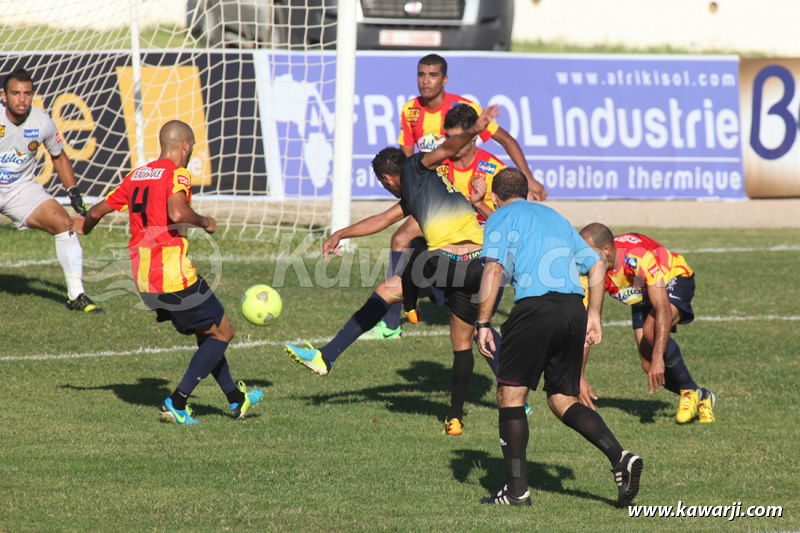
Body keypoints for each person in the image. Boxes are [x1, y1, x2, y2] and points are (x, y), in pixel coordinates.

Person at [286, 105, 506, 435]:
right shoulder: (422, 192)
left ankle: (329, 355)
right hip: (484, 265)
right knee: (466, 339)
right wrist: (341, 233)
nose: (386, 187)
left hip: (456, 262)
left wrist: (476, 127)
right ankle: (483, 404)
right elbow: (382, 220)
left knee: (389, 289)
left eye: (383, 183)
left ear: (388, 177)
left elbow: (448, 148)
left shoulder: (416, 167)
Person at [475, 168, 642, 507]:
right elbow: (596, 265)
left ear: (494, 197)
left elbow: (493, 269)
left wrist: (482, 322)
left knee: (510, 394)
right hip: (572, 310)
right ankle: (619, 456)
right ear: (526, 190)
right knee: (562, 398)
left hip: (535, 309)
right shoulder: (555, 216)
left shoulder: (500, 216)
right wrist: (594, 314)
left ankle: (517, 491)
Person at [79, 120, 263, 425]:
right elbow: (177, 212)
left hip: (144, 278)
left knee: (211, 332)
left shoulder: (137, 175)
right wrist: (204, 221)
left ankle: (235, 397)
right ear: (186, 145)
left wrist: (81, 227)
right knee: (224, 332)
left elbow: (97, 211)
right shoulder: (177, 174)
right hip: (173, 274)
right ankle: (177, 401)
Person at [364, 54, 546, 340]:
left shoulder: (464, 110)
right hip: (433, 192)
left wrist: (530, 177)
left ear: (444, 79)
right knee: (401, 238)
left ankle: (442, 294)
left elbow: (506, 140)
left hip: (460, 194)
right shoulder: (410, 110)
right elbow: (407, 158)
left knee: (444, 248)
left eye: (432, 75)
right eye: (421, 74)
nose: (426, 81)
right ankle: (391, 323)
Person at [578, 223, 716, 424]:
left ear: (606, 250)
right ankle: (700, 395)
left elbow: (662, 308)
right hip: (641, 294)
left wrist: (660, 357)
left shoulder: (637, 257)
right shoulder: (590, 271)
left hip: (674, 278)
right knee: (648, 365)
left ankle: (688, 393)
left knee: (653, 337)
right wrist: (579, 376)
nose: (583, 258)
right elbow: (586, 323)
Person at [0, 68, 101, 312]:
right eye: (15, 93)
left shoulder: (42, 121)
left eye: (27, 93)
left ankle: (76, 296)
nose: (22, 99)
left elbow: (59, 156)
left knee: (63, 223)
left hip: (19, 189)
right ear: (3, 96)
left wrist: (73, 192)